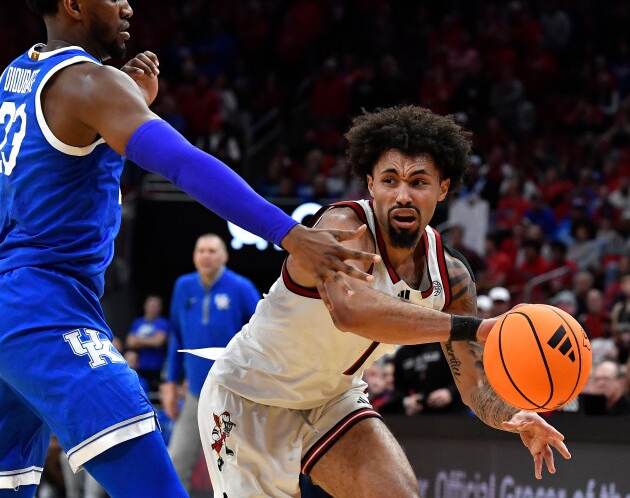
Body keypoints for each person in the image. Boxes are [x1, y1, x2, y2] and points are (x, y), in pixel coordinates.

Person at [0, 0, 378, 498]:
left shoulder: (19, 73)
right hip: (44, 307)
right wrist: (290, 233)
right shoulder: (91, 82)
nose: (127, 7)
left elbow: (67, 157)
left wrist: (130, 105)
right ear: (73, 4)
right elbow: (183, 165)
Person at [197, 105, 570, 498]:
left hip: (330, 399)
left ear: (443, 188)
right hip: (250, 395)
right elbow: (351, 311)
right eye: (390, 180)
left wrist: (516, 416)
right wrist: (475, 327)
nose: (403, 195)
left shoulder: (452, 276)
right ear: (370, 184)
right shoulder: (342, 230)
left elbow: (473, 383)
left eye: (419, 182)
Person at [161, 233, 260, 493]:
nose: (206, 255)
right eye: (201, 250)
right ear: (194, 255)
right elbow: (176, 336)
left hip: (234, 395)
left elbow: (262, 338)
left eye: (212, 251)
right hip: (195, 393)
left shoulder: (241, 288)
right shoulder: (183, 286)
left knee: (237, 467)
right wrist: (170, 382)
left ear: (224, 256)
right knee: (176, 463)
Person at [125, 294, 169, 392]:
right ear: (145, 306)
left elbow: (158, 342)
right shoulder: (138, 322)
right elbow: (130, 342)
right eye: (151, 305)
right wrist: (151, 340)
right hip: (138, 367)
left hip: (156, 367)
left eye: (156, 306)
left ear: (160, 308)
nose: (153, 308)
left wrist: (139, 340)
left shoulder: (162, 322)